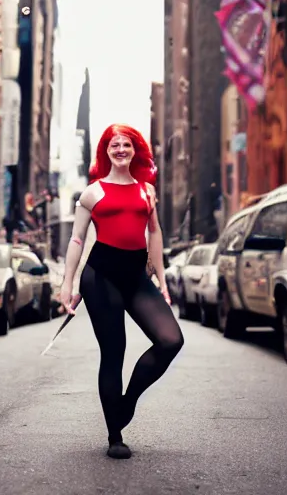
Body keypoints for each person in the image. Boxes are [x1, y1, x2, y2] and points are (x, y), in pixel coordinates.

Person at [59, 124, 184, 460]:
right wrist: (67, 284)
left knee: (171, 340)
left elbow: (154, 234)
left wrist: (162, 279)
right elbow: (77, 239)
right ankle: (115, 435)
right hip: (101, 277)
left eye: (126, 144)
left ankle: (126, 403)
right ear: (106, 151)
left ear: (134, 150)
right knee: (114, 353)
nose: (120, 149)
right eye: (114, 145)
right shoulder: (92, 193)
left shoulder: (147, 191)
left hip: (136, 274)